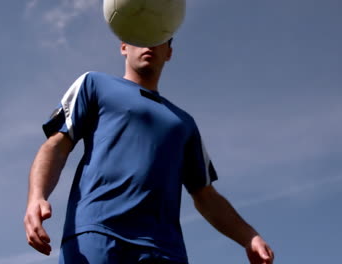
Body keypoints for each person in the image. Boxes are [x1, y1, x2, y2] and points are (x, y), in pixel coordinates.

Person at [24, 39, 275, 264]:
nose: (149, 45)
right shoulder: (94, 84)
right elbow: (56, 146)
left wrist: (248, 236)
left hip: (165, 250)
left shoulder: (183, 123)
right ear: (124, 46)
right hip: (97, 234)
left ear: (169, 52)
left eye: (159, 39)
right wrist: (37, 196)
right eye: (141, 38)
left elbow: (206, 194)